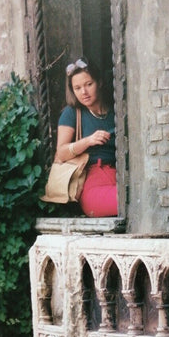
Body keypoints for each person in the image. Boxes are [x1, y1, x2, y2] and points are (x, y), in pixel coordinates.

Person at [54, 56, 118, 217]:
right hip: (91, 181)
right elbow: (61, 153)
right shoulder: (72, 113)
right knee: (125, 202)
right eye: (77, 88)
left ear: (100, 82)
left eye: (89, 84)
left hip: (119, 176)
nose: (84, 92)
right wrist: (88, 141)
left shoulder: (116, 112)